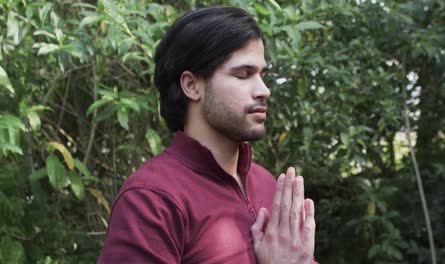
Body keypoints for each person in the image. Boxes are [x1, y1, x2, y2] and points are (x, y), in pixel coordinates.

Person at [98, 6, 317, 264]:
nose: (264, 90)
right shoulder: (152, 199)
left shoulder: (268, 186)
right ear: (192, 86)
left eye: (262, 75)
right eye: (243, 75)